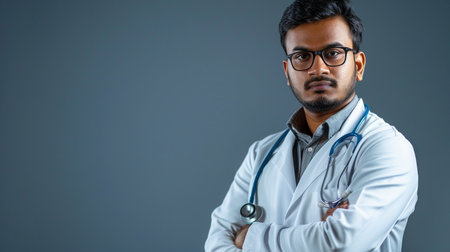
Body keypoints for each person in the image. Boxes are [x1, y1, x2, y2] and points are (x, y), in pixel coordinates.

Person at [205, 0, 418, 251]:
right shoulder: (260, 154)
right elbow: (216, 243)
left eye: (333, 53)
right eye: (302, 56)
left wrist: (248, 237)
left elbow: (340, 243)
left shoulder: (388, 148)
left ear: (358, 66)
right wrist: (317, 236)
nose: (319, 69)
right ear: (287, 71)